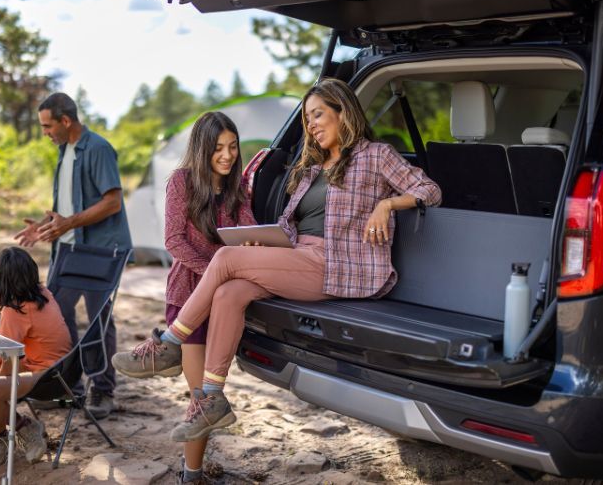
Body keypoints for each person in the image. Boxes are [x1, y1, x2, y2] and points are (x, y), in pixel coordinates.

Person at [111, 78, 442, 442]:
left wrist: (387, 204)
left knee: (224, 258)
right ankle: (213, 397)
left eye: (318, 115)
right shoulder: (313, 167)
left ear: (342, 112)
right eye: (307, 119)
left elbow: (429, 189)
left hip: (338, 265)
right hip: (300, 256)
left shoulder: (375, 155)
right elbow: (290, 225)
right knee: (230, 293)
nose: (312, 125)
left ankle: (170, 343)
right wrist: (263, 242)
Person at [115, 112, 255, 484]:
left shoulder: (238, 188)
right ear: (202, 148)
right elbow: (173, 240)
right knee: (201, 399)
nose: (226, 155)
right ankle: (191, 475)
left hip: (225, 303)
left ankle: (191, 471)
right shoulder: (181, 182)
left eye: (232, 146)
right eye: (218, 148)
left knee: (212, 394)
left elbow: (251, 234)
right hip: (187, 299)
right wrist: (218, 268)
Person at [14, 92, 132, 419]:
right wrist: (45, 225)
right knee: (55, 316)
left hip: (100, 251)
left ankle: (103, 390)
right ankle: (69, 389)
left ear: (66, 121)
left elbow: (112, 202)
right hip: (68, 247)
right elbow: (71, 207)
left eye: (47, 125)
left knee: (98, 321)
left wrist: (70, 222)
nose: (45, 132)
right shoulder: (65, 151)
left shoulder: (98, 149)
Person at [0, 247, 72, 470]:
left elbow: (9, 361)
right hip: (61, 368)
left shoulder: (15, 310)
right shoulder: (41, 292)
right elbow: (12, 354)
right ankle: (23, 426)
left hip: (48, 376)